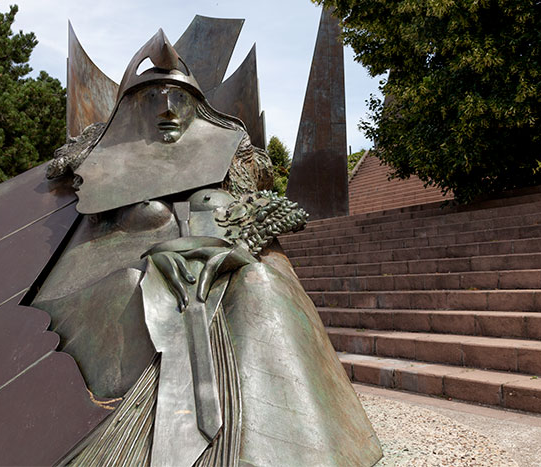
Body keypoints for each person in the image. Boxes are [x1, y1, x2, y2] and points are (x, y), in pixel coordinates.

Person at [37, 29, 382, 467]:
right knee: (133, 290)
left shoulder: (232, 157)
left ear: (196, 105)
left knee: (264, 286)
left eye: (177, 97)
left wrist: (228, 245)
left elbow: (253, 213)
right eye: (153, 97)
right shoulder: (99, 161)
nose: (166, 108)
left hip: (219, 268)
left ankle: (288, 450)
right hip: (122, 280)